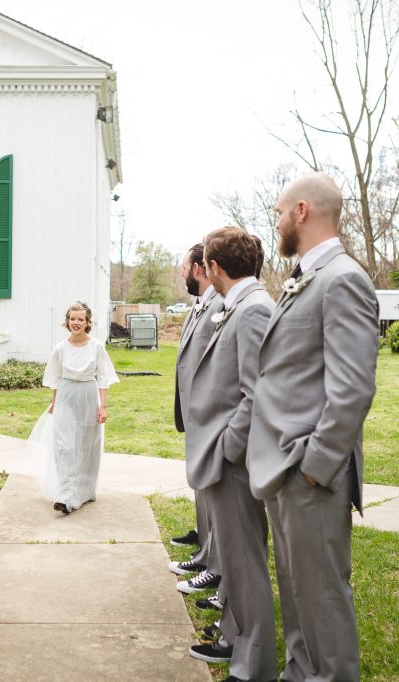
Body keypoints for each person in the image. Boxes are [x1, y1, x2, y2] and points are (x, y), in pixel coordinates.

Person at [248, 173, 379, 682]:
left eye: (279, 213)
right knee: (298, 593)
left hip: (309, 473)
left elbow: (352, 390)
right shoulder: (305, 276)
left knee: (322, 596)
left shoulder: (343, 278)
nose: (277, 223)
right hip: (283, 468)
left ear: (301, 211)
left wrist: (314, 467)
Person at [183, 228, 277, 681]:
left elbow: (257, 393)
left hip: (233, 462)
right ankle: (231, 640)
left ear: (215, 268)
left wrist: (226, 449)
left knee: (245, 565)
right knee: (235, 567)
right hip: (222, 458)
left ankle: (252, 666)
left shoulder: (253, 308)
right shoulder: (237, 304)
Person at [170, 243, 224, 590]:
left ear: (199, 269)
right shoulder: (201, 305)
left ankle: (214, 562)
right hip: (195, 414)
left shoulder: (220, 305)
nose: (182, 273)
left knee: (214, 494)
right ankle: (205, 550)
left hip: (209, 415)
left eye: (185, 267)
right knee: (201, 490)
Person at [30, 302, 119, 513]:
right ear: (67, 321)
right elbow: (55, 379)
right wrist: (54, 402)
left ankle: (84, 491)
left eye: (80, 319)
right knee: (64, 446)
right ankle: (65, 495)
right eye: (72, 319)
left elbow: (103, 378)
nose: (76, 323)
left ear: (88, 322)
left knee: (86, 445)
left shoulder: (96, 347)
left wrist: (103, 406)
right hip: (66, 397)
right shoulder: (60, 349)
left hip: (88, 396)